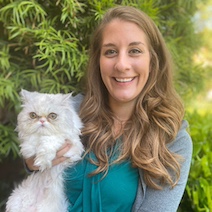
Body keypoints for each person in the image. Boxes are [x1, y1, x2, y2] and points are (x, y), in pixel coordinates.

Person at [26, 5, 193, 212]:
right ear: (99, 61)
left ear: (153, 60)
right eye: (111, 51)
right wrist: (32, 161)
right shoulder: (70, 112)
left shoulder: (172, 141)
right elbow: (33, 156)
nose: (122, 64)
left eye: (135, 51)